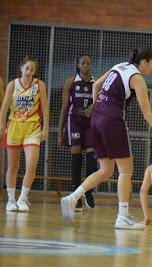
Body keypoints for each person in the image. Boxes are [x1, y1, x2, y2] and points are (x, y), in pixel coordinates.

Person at [61, 47, 152, 230]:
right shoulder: (137, 78)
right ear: (144, 62)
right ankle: (122, 216)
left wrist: (97, 108)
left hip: (96, 121)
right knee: (125, 170)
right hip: (112, 121)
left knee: (105, 170)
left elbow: (95, 86)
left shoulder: (120, 65)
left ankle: (72, 198)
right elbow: (147, 114)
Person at [0, 57, 49, 212]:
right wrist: (1, 124)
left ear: (35, 71)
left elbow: (46, 108)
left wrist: (46, 128)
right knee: (13, 165)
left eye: (32, 69)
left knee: (31, 165)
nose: (29, 71)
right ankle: (11, 200)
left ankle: (23, 198)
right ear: (21, 69)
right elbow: (5, 106)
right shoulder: (12, 85)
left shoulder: (39, 85)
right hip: (14, 126)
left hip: (33, 128)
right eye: (27, 68)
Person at [58, 54, 97, 212]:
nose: (86, 65)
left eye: (88, 63)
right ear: (78, 65)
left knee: (92, 159)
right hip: (74, 122)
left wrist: (92, 107)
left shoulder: (96, 83)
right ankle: (75, 195)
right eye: (83, 63)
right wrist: (60, 133)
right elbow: (64, 108)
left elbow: (102, 102)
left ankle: (87, 191)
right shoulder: (70, 82)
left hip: (90, 124)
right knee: (76, 158)